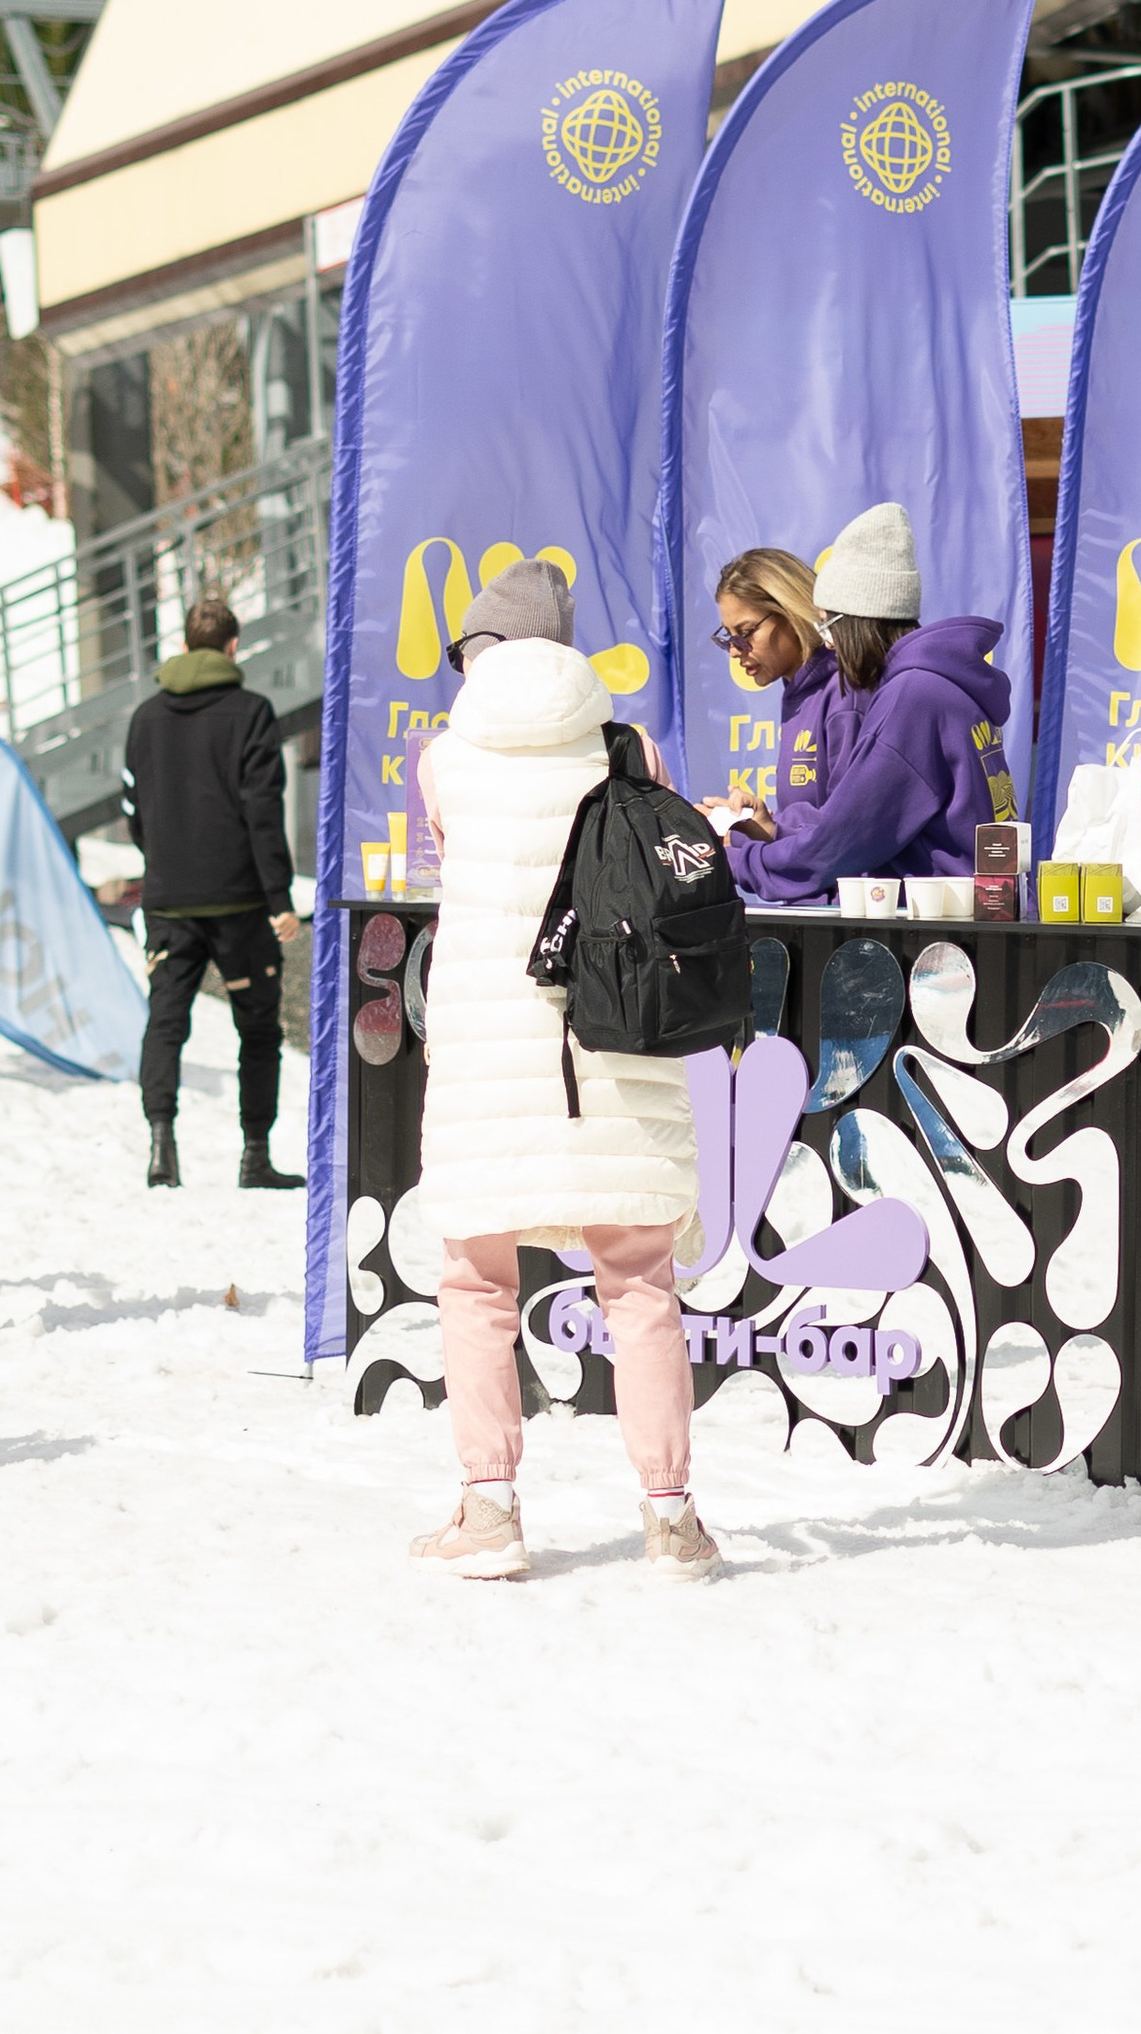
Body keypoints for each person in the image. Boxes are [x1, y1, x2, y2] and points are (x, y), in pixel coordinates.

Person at [411, 552, 715, 1583]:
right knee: (639, 1284)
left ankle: (489, 1509)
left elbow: (446, 862)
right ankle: (671, 1517)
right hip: (616, 1044)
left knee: (475, 1282)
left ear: (479, 654)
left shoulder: (443, 758)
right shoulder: (631, 745)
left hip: (487, 1058)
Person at [715, 502, 1013, 905]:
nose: (827, 642)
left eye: (827, 624)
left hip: (945, 923)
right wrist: (774, 835)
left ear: (853, 620)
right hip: (972, 910)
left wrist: (737, 860)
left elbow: (845, 841)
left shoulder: (914, 696)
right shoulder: (938, 685)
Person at [122, 588, 302, 1190]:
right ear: (232, 646)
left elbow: (132, 809)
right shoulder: (251, 712)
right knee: (257, 1028)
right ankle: (254, 1155)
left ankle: (160, 1146)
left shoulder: (145, 717)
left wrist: (162, 861)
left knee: (165, 1022)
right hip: (240, 903)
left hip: (168, 897)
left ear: (183, 645)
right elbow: (261, 812)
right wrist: (279, 899)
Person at [695, 547, 832, 841]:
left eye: (745, 633)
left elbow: (842, 832)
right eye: (728, 637)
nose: (734, 650)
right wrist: (750, 825)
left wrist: (751, 836)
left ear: (792, 612)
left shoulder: (845, 695)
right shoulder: (800, 695)